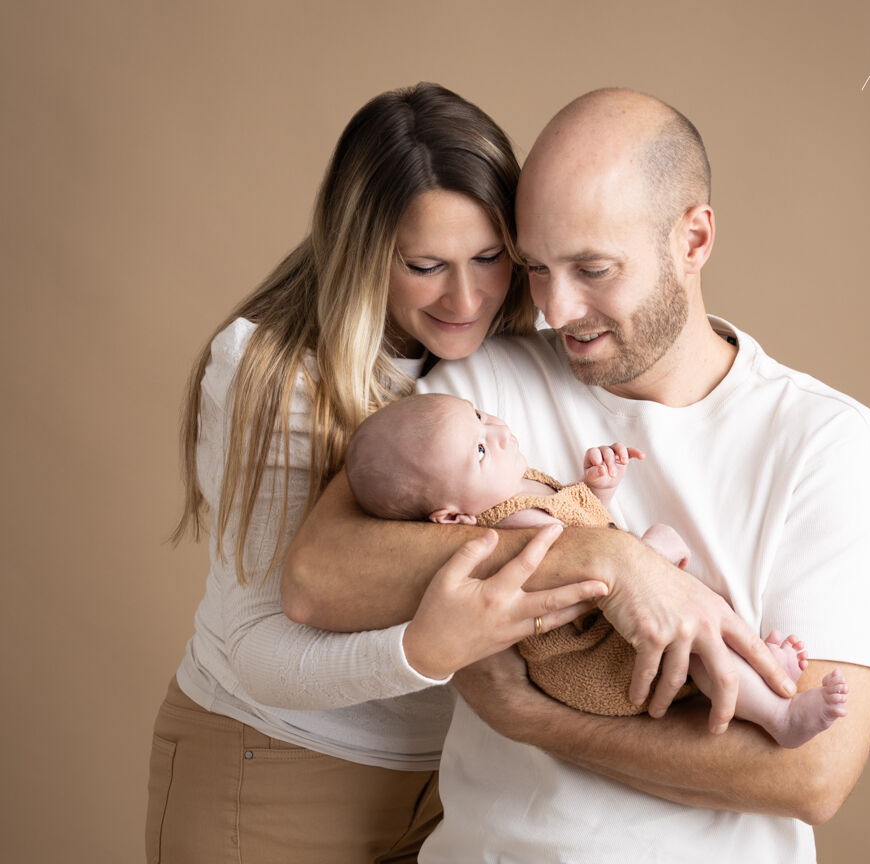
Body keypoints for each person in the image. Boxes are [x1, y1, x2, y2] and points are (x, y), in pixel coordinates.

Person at [283, 88, 870, 862]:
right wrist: (606, 558)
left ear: (693, 239)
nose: (555, 309)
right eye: (536, 268)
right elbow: (318, 575)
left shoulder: (828, 444)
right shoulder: (484, 389)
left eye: (593, 268)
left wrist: (534, 718)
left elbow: (812, 775)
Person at [145, 83, 614, 864]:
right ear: (362, 253)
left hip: (455, 787)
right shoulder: (273, 371)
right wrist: (424, 649)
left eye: (490, 258)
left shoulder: (513, 351)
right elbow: (259, 649)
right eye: (425, 265)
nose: (467, 297)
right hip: (273, 765)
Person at [345, 391, 850, 746]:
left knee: (696, 621)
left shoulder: (516, 482)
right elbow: (584, 576)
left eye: (479, 416)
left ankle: (755, 667)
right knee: (693, 646)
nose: (495, 431)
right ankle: (780, 716)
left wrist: (597, 489)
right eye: (479, 449)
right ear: (453, 518)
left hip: (610, 623)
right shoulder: (505, 526)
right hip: (593, 655)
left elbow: (579, 522)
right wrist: (648, 555)